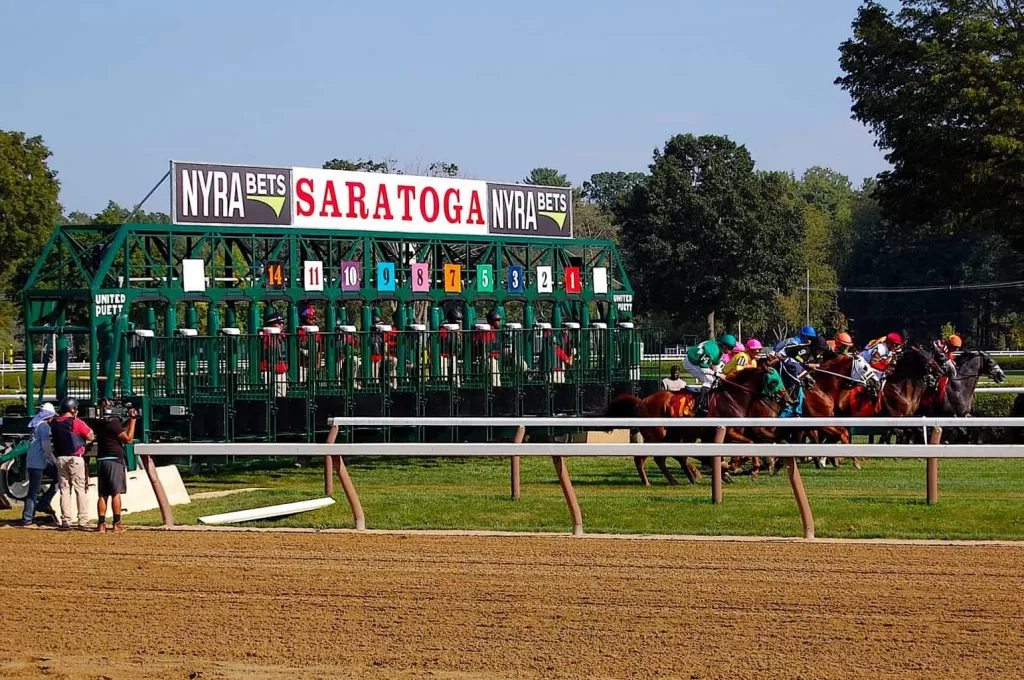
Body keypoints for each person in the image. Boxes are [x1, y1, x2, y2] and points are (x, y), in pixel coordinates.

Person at [92, 398, 137, 533]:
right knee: (116, 492)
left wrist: (127, 421)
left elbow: (119, 432)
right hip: (114, 459)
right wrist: (133, 420)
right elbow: (128, 439)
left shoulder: (98, 422)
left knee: (102, 494)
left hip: (101, 459)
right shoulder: (113, 423)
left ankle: (101, 524)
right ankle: (117, 523)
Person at [51, 397, 95, 531]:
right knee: (79, 488)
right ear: (73, 409)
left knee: (64, 490)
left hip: (60, 458)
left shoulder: (54, 423)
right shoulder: (76, 422)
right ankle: (83, 519)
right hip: (75, 458)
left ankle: (66, 520)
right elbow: (90, 435)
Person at [21, 403, 58, 527]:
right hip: (38, 462)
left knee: (57, 478)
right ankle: (28, 519)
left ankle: (43, 503)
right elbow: (46, 448)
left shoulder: (36, 425)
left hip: (35, 460)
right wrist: (54, 461)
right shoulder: (44, 427)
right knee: (34, 490)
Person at [260, 311, 288, 397]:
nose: (281, 325)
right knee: (271, 397)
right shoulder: (266, 336)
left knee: (282, 398)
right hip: (269, 372)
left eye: (282, 323)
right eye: (279, 323)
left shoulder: (282, 336)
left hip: (282, 372)